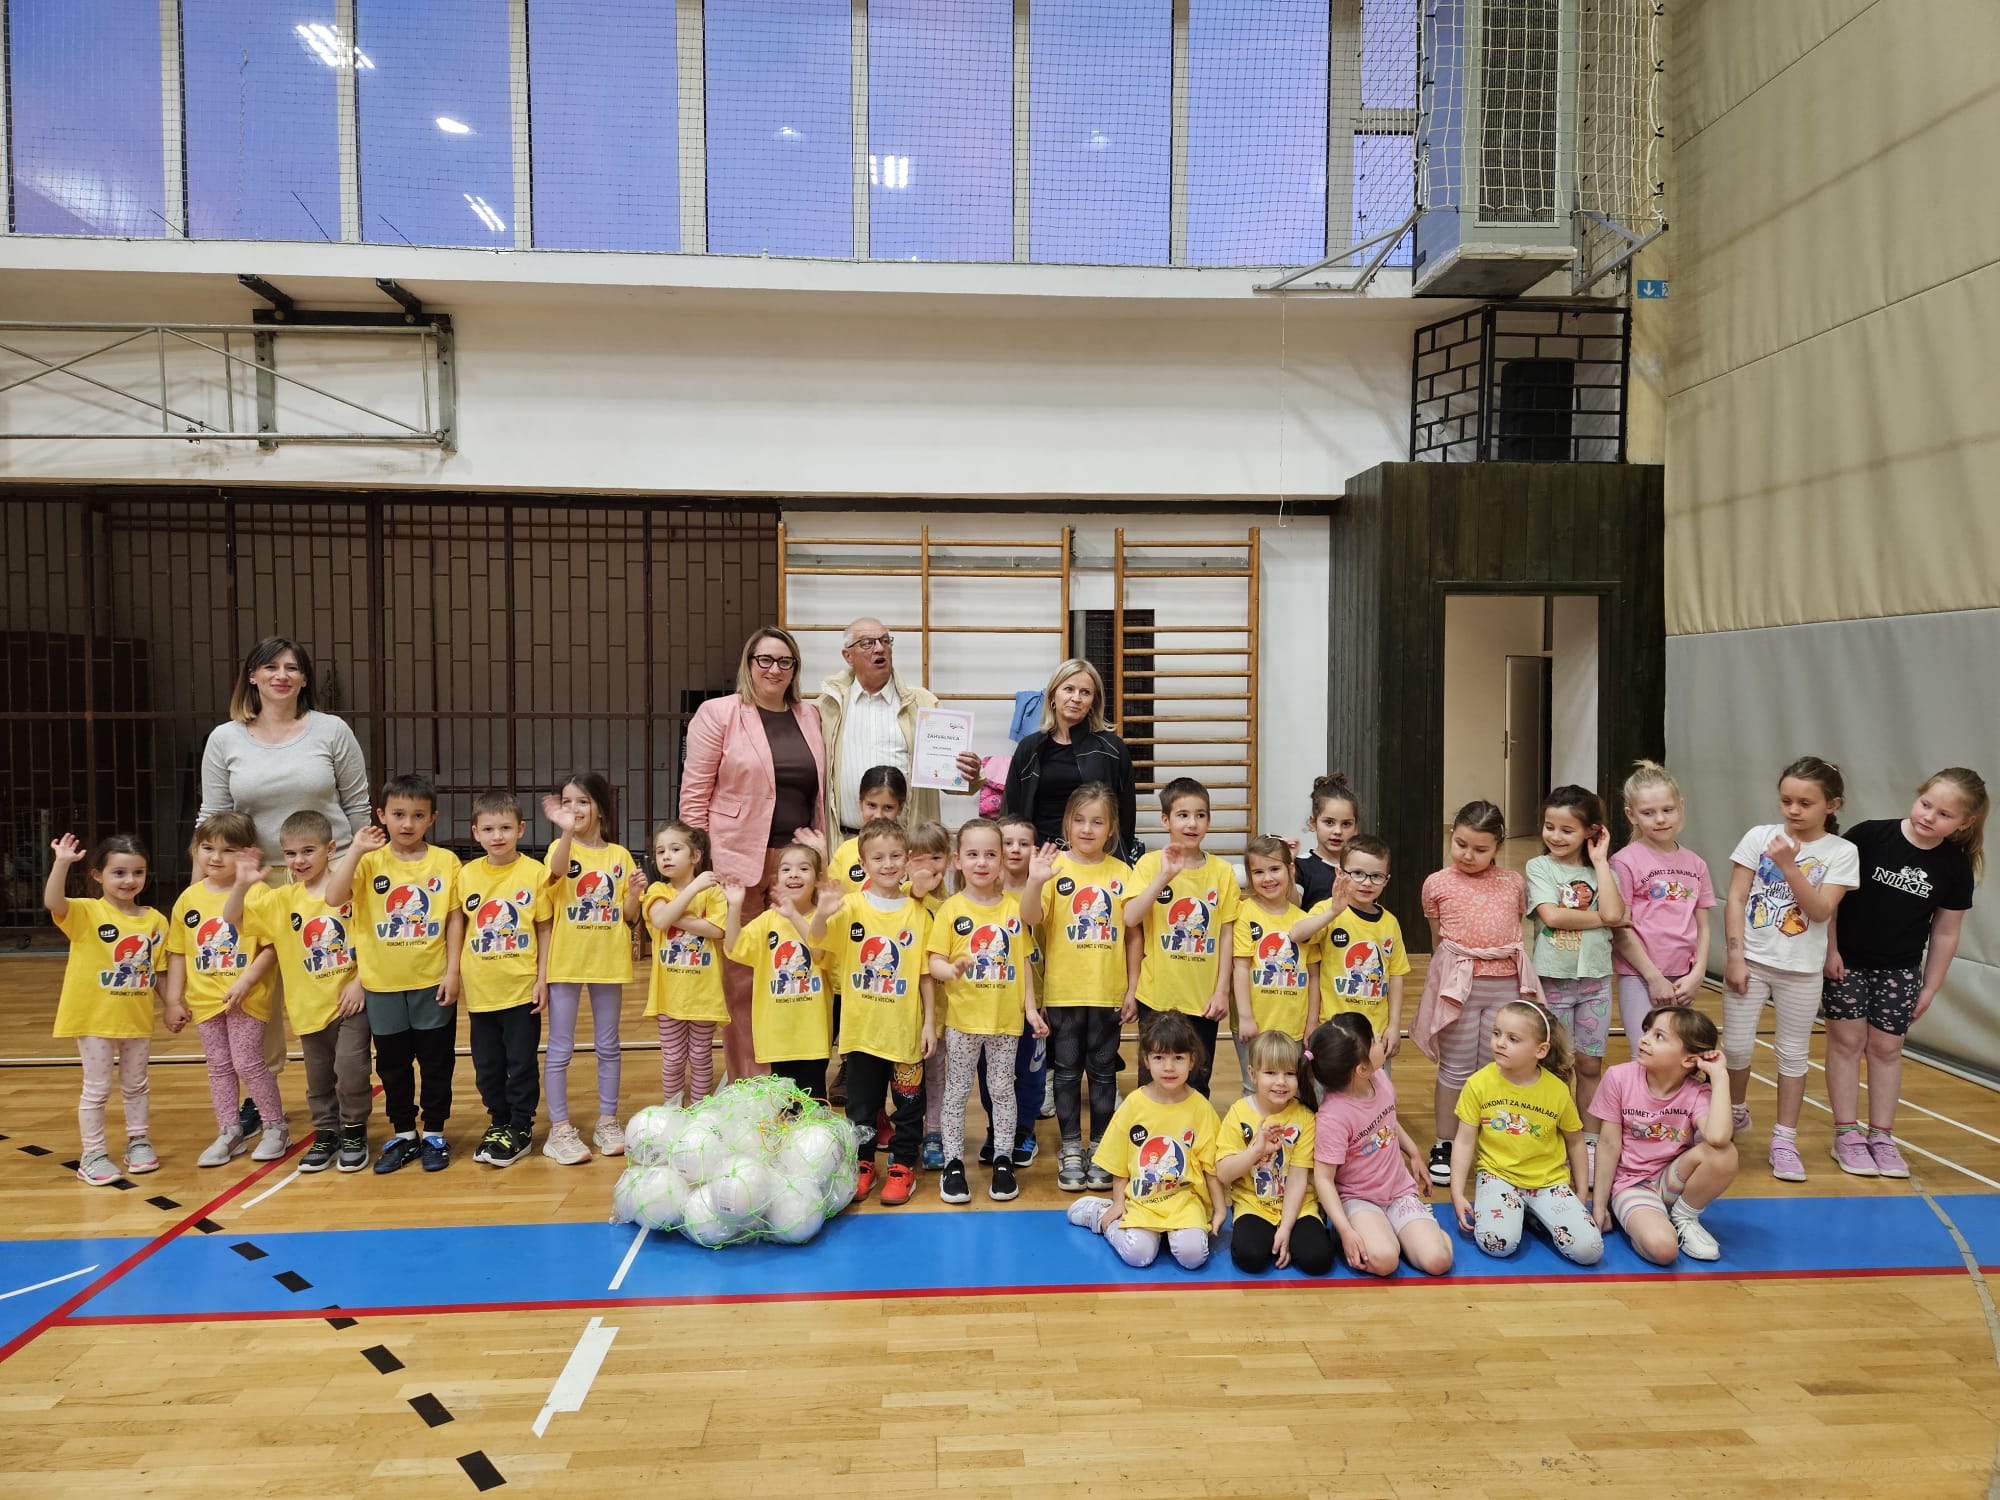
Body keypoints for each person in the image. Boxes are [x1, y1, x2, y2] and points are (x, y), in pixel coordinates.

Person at [199, 637, 372, 1099]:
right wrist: (201, 889)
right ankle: (262, 1093)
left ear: (304, 678)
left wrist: (366, 868)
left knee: (333, 972)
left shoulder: (332, 730)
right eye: (271, 667)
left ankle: (346, 1087)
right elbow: (211, 817)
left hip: (330, 871)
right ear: (252, 676)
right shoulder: (225, 738)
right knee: (258, 991)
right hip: (256, 877)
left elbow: (358, 806)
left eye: (292, 667)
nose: (281, 675)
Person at [682, 626, 829, 1083]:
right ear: (749, 664)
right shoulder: (718, 713)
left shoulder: (810, 716)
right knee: (743, 975)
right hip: (735, 860)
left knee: (794, 971)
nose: (775, 669)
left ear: (795, 669)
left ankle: (789, 1077)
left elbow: (817, 794)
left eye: (785, 662)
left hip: (796, 863)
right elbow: (694, 796)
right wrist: (702, 862)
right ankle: (749, 1080)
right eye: (765, 660)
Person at [1822, 768, 1985, 1178]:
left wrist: (1930, 987)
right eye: (1926, 804)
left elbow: (1946, 932)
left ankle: (1881, 1136)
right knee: (1846, 1043)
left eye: (1944, 814)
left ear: (1964, 823)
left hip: (1899, 971)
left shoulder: (1954, 866)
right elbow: (1831, 898)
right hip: (1847, 963)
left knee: (1886, 1049)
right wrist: (1830, 949)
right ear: (1917, 796)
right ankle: (1846, 1133)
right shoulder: (1869, 836)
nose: (1929, 816)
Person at [1721, 756, 1859, 1183]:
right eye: (1786, 801)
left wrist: (1787, 865)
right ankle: (1734, 1111)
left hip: (1801, 970)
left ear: (1832, 805)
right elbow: (1736, 899)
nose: (1793, 810)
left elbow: (1819, 911)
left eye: (1805, 803)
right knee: (1736, 1049)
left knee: (1794, 1053)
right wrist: (1734, 956)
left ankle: (1784, 1139)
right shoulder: (1759, 836)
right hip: (1752, 960)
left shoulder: (1842, 852)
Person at [223, 813, 373, 1174]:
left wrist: (360, 982)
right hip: (307, 1008)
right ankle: (326, 1132)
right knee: (318, 1078)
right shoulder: (282, 900)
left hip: (350, 1003)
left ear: (330, 848)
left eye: (308, 851)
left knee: (351, 1070)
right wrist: (241, 884)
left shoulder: (351, 891)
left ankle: (354, 1131)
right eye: (290, 854)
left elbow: (372, 940)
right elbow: (232, 918)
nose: (299, 860)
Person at [329, 776, 463, 1174]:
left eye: (418, 815)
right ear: (381, 815)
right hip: (382, 985)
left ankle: (435, 1132)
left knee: (436, 1062)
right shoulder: (369, 861)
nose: (407, 823)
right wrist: (356, 849)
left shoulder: (446, 862)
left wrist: (453, 971)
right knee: (392, 1065)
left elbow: (455, 919)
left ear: (432, 819)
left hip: (431, 980)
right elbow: (333, 897)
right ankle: (404, 1133)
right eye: (399, 814)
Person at [1412, 800, 1541, 1186]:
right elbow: (1437, 941)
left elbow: (1513, 925)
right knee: (1455, 1067)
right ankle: (1446, 1143)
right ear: (1452, 835)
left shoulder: (1513, 882)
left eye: (1481, 849)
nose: (1468, 855)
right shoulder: (1436, 883)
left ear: (1498, 846)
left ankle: (1489, 1139)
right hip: (1459, 988)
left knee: (1495, 1066)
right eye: (1462, 844)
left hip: (1505, 985)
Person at [810, 818, 937, 1206]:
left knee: (909, 1105)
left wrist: (930, 1022)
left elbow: (925, 974)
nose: (887, 864)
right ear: (863, 864)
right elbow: (816, 945)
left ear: (907, 859)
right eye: (877, 858)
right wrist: (822, 912)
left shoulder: (918, 912)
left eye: (895, 856)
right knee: (861, 1106)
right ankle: (862, 1163)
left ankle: (903, 1165)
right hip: (861, 1031)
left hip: (905, 1031)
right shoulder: (850, 906)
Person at [45, 833, 180, 1185]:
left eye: (138, 872)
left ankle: (138, 1141)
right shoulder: (87, 912)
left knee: (136, 1085)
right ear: (98, 875)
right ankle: (92, 1154)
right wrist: (62, 863)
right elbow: (53, 901)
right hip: (94, 1020)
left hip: (136, 1021)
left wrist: (172, 1004)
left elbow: (158, 971)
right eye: (119, 873)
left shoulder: (155, 921)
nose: (129, 880)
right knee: (98, 1088)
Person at [1022, 784, 1134, 1193]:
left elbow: (1133, 937)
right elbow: (1030, 917)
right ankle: (1071, 1147)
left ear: (1111, 827)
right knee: (1067, 1072)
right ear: (1067, 822)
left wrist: (1132, 989)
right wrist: (1035, 881)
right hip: (1064, 992)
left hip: (1108, 992)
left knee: (1103, 1073)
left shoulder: (1123, 873)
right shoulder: (1054, 868)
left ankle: (1101, 1148)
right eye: (1080, 820)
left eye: (1097, 821)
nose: (1087, 829)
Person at [927, 819, 1044, 1204]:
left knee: (1002, 1091)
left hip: (1005, 1023)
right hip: (963, 1023)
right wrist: (951, 970)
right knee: (957, 1092)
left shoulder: (1013, 909)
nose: (982, 862)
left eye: (991, 854)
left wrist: (1030, 1010)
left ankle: (1003, 1161)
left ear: (1001, 861)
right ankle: (952, 1164)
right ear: (957, 860)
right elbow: (934, 962)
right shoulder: (950, 909)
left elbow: (1023, 962)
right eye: (973, 854)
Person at [168, 812, 287, 1168]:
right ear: (195, 850)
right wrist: (173, 999)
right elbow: (178, 952)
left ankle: (275, 1127)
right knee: (219, 1066)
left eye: (228, 850)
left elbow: (272, 947)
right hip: (206, 1001)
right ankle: (229, 1131)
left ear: (247, 853)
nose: (216, 857)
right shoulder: (188, 899)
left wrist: (246, 982)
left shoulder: (258, 892)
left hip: (247, 997)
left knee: (248, 1062)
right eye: (208, 848)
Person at [1064, 1012, 1225, 1271]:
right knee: (1138, 1254)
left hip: (1185, 1201)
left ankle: (1169, 1235)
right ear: (1146, 1060)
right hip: (1142, 1200)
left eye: (1178, 1058)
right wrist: (1118, 1203)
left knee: (1193, 1256)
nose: (1169, 1067)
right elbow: (1119, 1162)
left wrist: (1220, 1208)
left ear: (1192, 1060)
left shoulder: (1201, 1108)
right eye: (1159, 1058)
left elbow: (1211, 1167)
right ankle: (1100, 1214)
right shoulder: (1134, 1104)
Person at [539, 772, 644, 1164]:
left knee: (609, 1045)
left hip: (608, 962)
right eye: (567, 802)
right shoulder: (560, 846)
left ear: (600, 808)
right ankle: (560, 1128)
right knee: (560, 1047)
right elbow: (558, 870)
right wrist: (566, 831)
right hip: (566, 962)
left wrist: (635, 894)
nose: (574, 809)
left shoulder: (619, 855)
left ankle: (608, 1121)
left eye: (582, 801)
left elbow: (628, 916)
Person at [1448, 1000, 1602, 1265]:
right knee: (1498, 1244)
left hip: (1548, 1182)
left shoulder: (1557, 1090)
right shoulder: (1478, 1084)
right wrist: (1457, 1191)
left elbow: (1576, 1141)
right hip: (1499, 1176)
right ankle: (1522, 1212)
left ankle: (1530, 1213)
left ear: (1541, 1050)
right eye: (1496, 1033)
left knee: (1590, 1250)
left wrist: (1581, 1192)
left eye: (1513, 1039)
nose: (1500, 1043)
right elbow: (1463, 1141)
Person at [1307, 1013, 1454, 1277]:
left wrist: (1413, 1153)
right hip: (1358, 1198)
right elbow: (1324, 1179)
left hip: (1398, 1191)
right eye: (1374, 1040)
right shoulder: (1333, 1116)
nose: (1380, 1038)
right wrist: (1346, 1231)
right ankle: (1375, 1232)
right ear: (1361, 1070)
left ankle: (1411, 1230)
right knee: (1385, 1261)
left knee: (1438, 1261)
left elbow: (1389, 1121)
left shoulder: (1380, 1080)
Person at [449, 793, 552, 1169]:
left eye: (506, 828)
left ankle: (521, 1127)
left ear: (520, 829)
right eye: (489, 829)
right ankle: (498, 1123)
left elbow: (544, 928)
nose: (498, 836)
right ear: (476, 832)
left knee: (521, 1063)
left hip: (521, 988)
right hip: (481, 992)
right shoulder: (466, 875)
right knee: (488, 1067)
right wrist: (453, 972)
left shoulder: (535, 873)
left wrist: (543, 978)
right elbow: (458, 924)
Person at [1589, 1007, 1738, 1263]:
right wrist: (1599, 1206)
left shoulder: (1697, 1092)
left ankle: (1683, 1217)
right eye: (1647, 1031)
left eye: (1659, 1036)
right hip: (1632, 1184)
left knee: (1724, 1153)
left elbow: (1718, 1137)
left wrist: (1720, 1076)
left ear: (1688, 1060)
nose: (1644, 1039)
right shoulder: (1619, 1077)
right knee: (1664, 1251)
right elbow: (1608, 1145)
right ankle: (1645, 1218)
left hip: (1673, 1181)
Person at [1124, 778, 1240, 1100]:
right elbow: (1131, 917)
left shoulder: (1222, 872)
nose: (1192, 823)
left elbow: (1226, 935)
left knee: (1197, 1083)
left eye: (1200, 815)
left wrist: (1221, 990)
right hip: (1156, 997)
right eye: (1183, 815)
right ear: (1166, 820)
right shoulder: (1150, 864)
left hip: (1203, 1001)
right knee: (1153, 1082)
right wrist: (1165, 876)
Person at [1526, 786, 1627, 1127]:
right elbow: (1553, 916)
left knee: (1589, 1066)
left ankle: (1590, 1138)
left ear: (1591, 831)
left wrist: (1599, 861)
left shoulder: (1605, 873)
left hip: (1595, 983)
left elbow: (1615, 912)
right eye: (1549, 826)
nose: (1555, 836)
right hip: (1553, 982)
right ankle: (1557, 1133)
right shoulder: (1539, 867)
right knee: (1556, 1066)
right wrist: (1604, 918)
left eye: (1567, 830)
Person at [817, 619, 966, 836]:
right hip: (845, 841)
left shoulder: (923, 703)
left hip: (907, 842)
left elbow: (951, 778)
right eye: (867, 643)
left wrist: (968, 773)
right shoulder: (828, 706)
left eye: (885, 641)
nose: (880, 648)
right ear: (848, 656)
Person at [1609, 761, 1716, 1059]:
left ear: (1681, 807)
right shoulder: (1624, 862)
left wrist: (1698, 973)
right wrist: (1653, 977)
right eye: (1648, 813)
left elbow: (1704, 925)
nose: (1660, 819)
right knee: (1646, 1054)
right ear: (1631, 815)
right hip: (1640, 975)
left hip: (1683, 978)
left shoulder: (1696, 864)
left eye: (1667, 810)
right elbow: (1621, 928)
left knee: (1676, 1056)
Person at [968, 812, 1051, 1171]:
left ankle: (1024, 1130)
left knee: (1030, 1072)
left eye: (1024, 843)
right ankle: (997, 1129)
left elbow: (1036, 928)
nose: (1015, 849)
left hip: (1033, 1002)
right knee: (992, 1076)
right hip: (990, 1005)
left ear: (1036, 849)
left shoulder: (1042, 889)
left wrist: (1043, 1001)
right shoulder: (980, 893)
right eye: (1007, 843)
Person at [1216, 1030, 1335, 1275]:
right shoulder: (1238, 1113)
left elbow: (1298, 1178)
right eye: (1270, 1073)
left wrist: (1286, 1229)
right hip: (1253, 1204)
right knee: (1250, 1258)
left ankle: (1294, 1235)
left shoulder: (1305, 1117)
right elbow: (1224, 1174)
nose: (1281, 1081)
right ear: (1252, 1075)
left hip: (1299, 1206)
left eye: (1289, 1073)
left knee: (1317, 1261)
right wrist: (1256, 1151)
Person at [724, 844, 836, 1099]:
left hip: (812, 1036)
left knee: (813, 1105)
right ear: (777, 879)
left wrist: (793, 915)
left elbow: (818, 950)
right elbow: (733, 948)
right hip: (776, 1036)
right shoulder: (768, 921)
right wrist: (734, 906)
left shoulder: (823, 919)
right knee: (784, 1106)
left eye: (803, 868)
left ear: (817, 879)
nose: (794, 874)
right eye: (786, 869)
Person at [1003, 658, 1141, 863]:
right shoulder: (1029, 748)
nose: (1076, 698)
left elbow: (1125, 816)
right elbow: (1012, 812)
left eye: (1085, 692)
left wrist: (1117, 860)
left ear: (1093, 702)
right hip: (1041, 858)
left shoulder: (1113, 749)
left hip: (1096, 858)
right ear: (1053, 695)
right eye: (1069, 689)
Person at [1292, 835, 1407, 1063]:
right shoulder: (1328, 910)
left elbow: (1396, 975)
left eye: (1376, 876)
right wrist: (1333, 912)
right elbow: (1296, 934)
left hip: (1375, 1034)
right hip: (1333, 1030)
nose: (1367, 883)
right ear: (1340, 874)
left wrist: (1394, 1025)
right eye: (1358, 873)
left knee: (1374, 1084)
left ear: (1386, 880)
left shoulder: (1390, 923)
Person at [644, 822, 729, 1107]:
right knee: (672, 1059)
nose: (666, 856)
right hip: (669, 996)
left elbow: (717, 930)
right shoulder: (657, 889)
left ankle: (699, 1112)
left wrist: (674, 915)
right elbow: (659, 920)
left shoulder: (712, 892)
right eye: (660, 851)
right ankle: (672, 1111)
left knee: (701, 1056)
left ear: (695, 856)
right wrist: (693, 889)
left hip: (704, 994)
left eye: (675, 849)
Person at [1231, 837, 1322, 1098]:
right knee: (1254, 1087)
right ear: (1249, 876)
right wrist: (1245, 1017)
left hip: (1293, 1025)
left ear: (1290, 870)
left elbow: (1314, 975)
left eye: (1274, 869)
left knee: (1291, 1089)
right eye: (1258, 872)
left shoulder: (1303, 920)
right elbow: (1240, 968)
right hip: (1254, 1025)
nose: (1268, 878)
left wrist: (1312, 1022)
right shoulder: (1244, 913)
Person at [1296, 774, 1361, 909]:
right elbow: (1292, 908)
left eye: (1346, 824)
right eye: (1329, 822)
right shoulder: (1300, 865)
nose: (1337, 831)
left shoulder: (1362, 867)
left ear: (1356, 828)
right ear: (1313, 823)